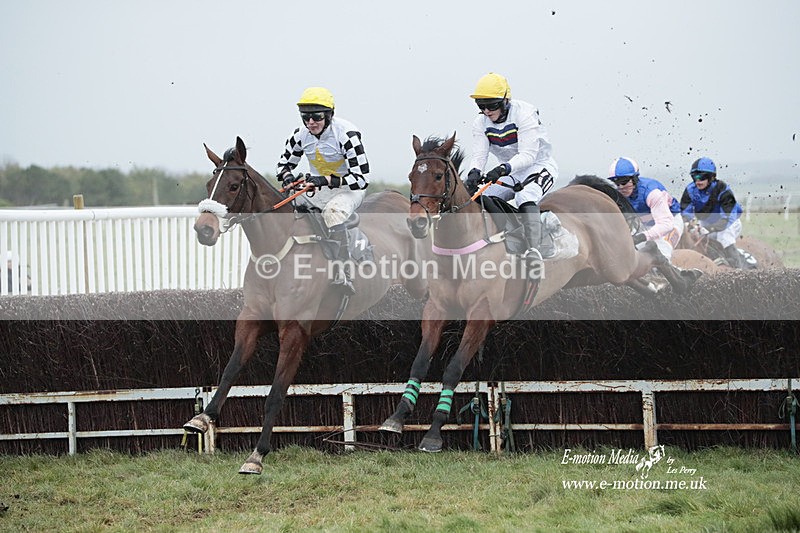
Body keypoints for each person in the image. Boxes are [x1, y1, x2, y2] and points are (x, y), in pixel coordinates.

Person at [275, 87, 371, 293]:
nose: (311, 122)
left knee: (333, 214)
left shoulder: (347, 135)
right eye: (305, 117)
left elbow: (362, 179)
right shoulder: (300, 135)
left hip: (348, 190)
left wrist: (324, 180)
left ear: (329, 115)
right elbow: (283, 165)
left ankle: (344, 271)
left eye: (317, 116)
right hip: (317, 187)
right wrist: (288, 177)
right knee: (290, 209)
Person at [464, 72, 559, 260]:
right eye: (481, 106)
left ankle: (534, 251)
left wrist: (502, 169)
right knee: (479, 198)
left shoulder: (524, 114)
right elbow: (479, 155)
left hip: (539, 166)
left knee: (525, 196)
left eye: (491, 105)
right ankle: (505, 238)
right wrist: (474, 172)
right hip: (511, 171)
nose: (486, 111)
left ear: (505, 101)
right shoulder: (480, 123)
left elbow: (528, 155)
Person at [679, 157, 749, 269]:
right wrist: (688, 224)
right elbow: (685, 212)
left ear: (711, 177)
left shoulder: (722, 189)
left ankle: (738, 270)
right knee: (694, 237)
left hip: (730, 222)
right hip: (706, 222)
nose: (698, 180)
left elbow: (727, 218)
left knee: (724, 236)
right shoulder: (690, 190)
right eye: (694, 176)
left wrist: (710, 228)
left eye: (701, 177)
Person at [607, 157, 683, 260]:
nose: (620, 187)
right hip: (644, 224)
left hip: (670, 222)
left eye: (624, 182)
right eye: (616, 183)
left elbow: (666, 225)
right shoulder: (617, 195)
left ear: (634, 179)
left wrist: (642, 237)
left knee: (662, 252)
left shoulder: (652, 193)